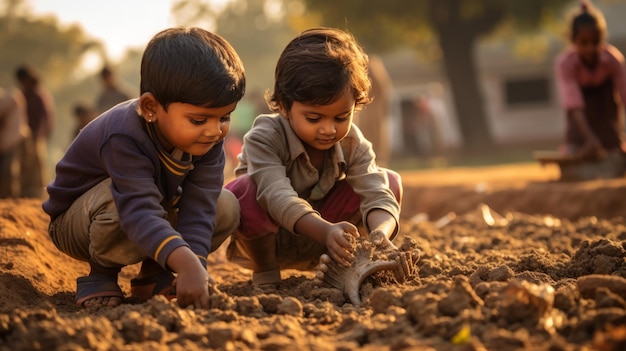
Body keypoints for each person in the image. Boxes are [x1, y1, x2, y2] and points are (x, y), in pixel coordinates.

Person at [42, 27, 246, 309]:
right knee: (119, 197)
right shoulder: (124, 134)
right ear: (151, 107)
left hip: (145, 208)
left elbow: (200, 208)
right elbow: (137, 208)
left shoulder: (208, 142)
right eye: (199, 120)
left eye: (224, 117)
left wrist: (194, 264)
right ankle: (101, 273)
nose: (214, 131)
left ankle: (154, 273)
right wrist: (186, 263)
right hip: (79, 222)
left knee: (225, 205)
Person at [224, 27, 403, 290]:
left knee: (390, 180)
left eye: (341, 117)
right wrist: (325, 231)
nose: (329, 129)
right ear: (284, 106)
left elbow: (376, 191)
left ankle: (345, 265)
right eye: (314, 118)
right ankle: (266, 272)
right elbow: (276, 195)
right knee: (245, 189)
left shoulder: (352, 141)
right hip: (273, 240)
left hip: (329, 241)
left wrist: (380, 236)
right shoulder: (265, 137)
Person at [554, 0, 626, 178]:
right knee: (573, 164)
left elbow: (624, 96)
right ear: (573, 40)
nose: (590, 48)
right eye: (583, 42)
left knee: (615, 158)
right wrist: (590, 140)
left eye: (595, 42)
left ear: (601, 38)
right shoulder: (566, 64)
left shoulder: (612, 60)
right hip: (580, 130)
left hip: (607, 125)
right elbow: (574, 105)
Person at [15, 65, 55, 198]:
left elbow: (45, 117)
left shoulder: (39, 95)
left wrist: (40, 136)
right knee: (24, 165)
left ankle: (41, 194)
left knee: (38, 165)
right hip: (25, 136)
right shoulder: (23, 95)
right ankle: (25, 193)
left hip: (38, 135)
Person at [354, 55, 393, 167]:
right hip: (365, 108)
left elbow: (383, 91)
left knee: (376, 134)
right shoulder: (362, 70)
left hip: (372, 108)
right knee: (367, 133)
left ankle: (378, 159)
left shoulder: (374, 67)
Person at [0, 87, 27, 198]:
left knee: (8, 171)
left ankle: (9, 198)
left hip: (11, 141)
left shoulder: (9, 99)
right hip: (11, 140)